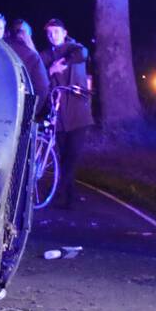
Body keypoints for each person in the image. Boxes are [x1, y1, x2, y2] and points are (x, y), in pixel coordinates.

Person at [39, 18, 94, 209]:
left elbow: (83, 53)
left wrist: (65, 61)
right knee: (62, 155)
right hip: (59, 114)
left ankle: (63, 189)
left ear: (64, 32)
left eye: (56, 32)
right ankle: (69, 196)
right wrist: (51, 70)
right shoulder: (46, 54)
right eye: (49, 33)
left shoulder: (74, 48)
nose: (52, 36)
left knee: (74, 154)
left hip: (79, 114)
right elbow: (38, 74)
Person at [7, 19, 49, 118]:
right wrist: (30, 112)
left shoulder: (1, 49)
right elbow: (42, 87)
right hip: (21, 109)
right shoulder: (32, 56)